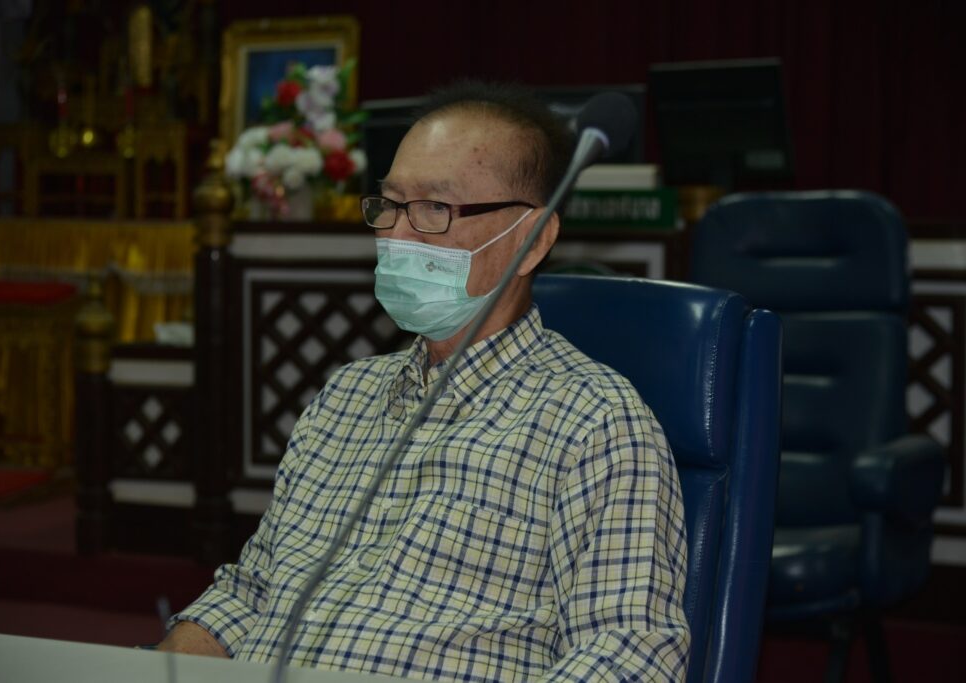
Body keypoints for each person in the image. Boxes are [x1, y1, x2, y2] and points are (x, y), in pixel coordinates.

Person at [159, 80, 690, 681]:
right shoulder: (346, 396)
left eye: (435, 209)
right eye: (389, 204)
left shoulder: (595, 423)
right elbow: (251, 593)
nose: (395, 235)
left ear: (532, 239)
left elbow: (629, 656)